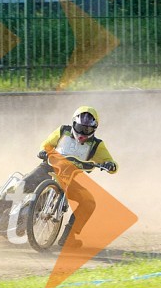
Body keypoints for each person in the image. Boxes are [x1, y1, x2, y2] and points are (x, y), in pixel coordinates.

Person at [18, 105, 118, 247]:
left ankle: (69, 238)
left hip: (69, 179)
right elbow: (46, 144)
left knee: (88, 202)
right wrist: (42, 151)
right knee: (22, 186)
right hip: (48, 168)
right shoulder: (62, 131)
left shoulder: (97, 145)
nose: (83, 132)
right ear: (73, 123)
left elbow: (111, 163)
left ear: (94, 129)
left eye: (87, 129)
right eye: (80, 127)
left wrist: (110, 165)